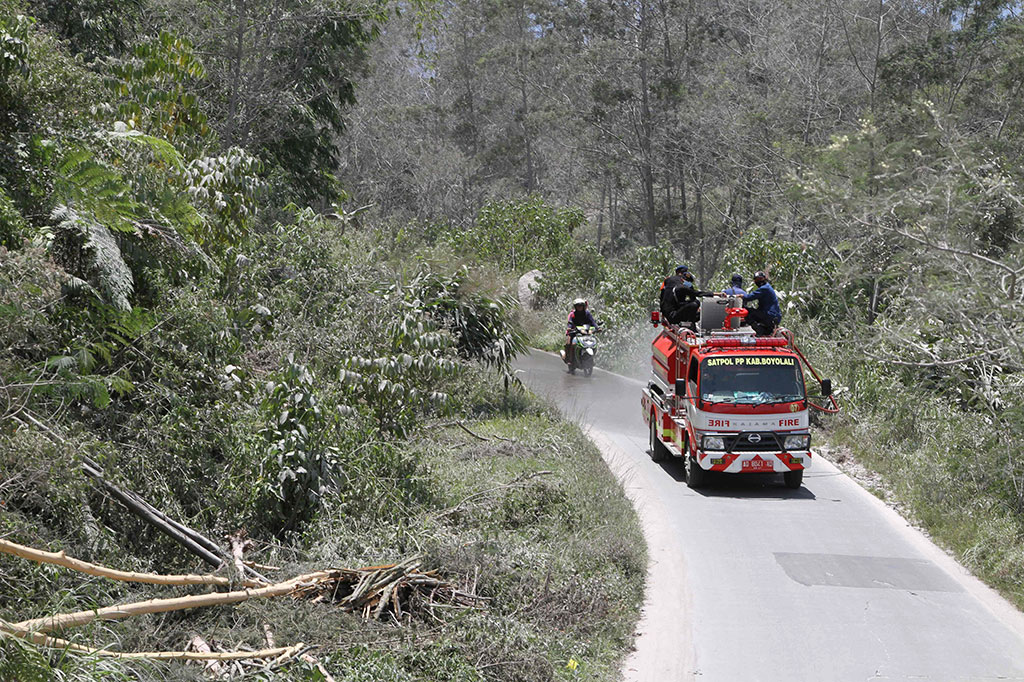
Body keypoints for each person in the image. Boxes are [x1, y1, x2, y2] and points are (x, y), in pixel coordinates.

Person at [742, 271, 782, 335]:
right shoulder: (767, 287)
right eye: (757, 279)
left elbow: (749, 297)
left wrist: (741, 296)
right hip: (773, 316)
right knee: (755, 312)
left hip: (770, 316)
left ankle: (759, 330)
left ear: (764, 279)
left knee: (746, 312)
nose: (759, 281)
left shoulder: (764, 288)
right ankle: (764, 330)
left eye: (760, 279)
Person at [563, 298, 599, 364]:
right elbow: (570, 322)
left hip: (585, 332)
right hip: (574, 332)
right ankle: (569, 359)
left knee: (594, 343)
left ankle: (592, 359)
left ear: (583, 306)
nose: (579, 307)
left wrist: (597, 328)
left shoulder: (587, 313)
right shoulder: (572, 314)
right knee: (569, 343)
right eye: (578, 306)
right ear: (575, 307)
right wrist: (569, 328)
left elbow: (592, 322)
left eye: (581, 306)